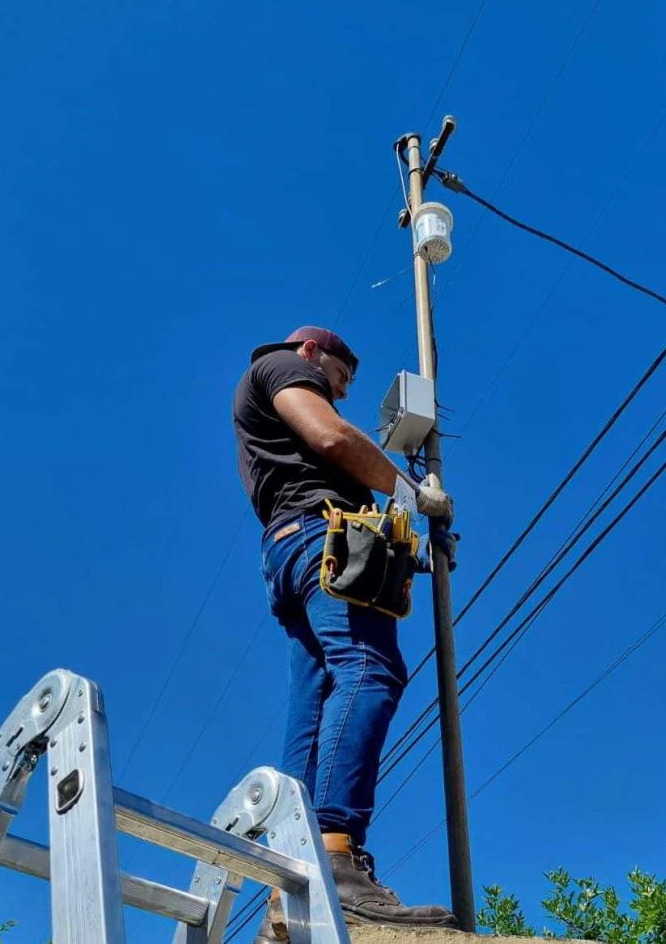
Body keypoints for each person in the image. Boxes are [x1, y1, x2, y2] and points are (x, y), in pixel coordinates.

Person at [232, 325, 460, 938]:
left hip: (292, 551)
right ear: (311, 351)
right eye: (341, 378)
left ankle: (292, 872)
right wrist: (414, 492)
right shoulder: (282, 367)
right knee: (370, 669)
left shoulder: (270, 394)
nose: (343, 392)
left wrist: (412, 536)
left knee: (317, 698)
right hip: (316, 541)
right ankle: (335, 854)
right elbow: (330, 435)